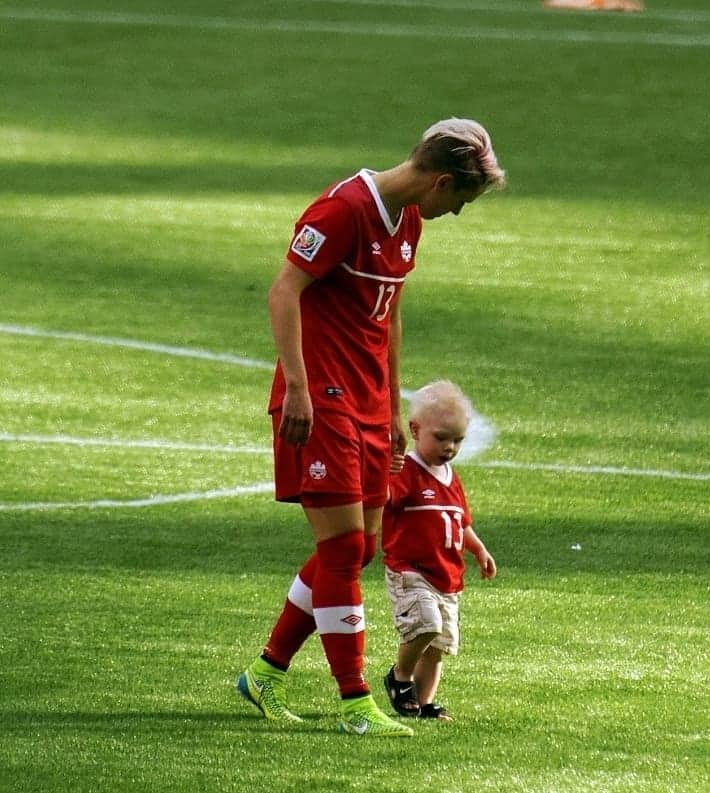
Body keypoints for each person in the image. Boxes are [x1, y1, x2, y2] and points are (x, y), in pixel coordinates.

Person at [237, 119, 506, 738]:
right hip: (322, 402)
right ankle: (356, 701)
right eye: (461, 200)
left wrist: (390, 407)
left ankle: (265, 674)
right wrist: (299, 389)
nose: (457, 213)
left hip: (366, 405)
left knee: (359, 548)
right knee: (339, 550)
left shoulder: (408, 220)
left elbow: (391, 317)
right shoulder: (342, 212)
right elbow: (283, 292)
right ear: (440, 181)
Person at [382, 381, 497, 722]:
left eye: (458, 440)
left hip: (447, 575)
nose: (450, 447)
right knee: (426, 625)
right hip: (411, 570)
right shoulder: (406, 472)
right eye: (442, 437)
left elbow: (459, 522)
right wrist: (380, 476)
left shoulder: (451, 477)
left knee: (438, 648)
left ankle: (422, 703)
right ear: (415, 430)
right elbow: (384, 501)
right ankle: (399, 676)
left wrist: (478, 549)